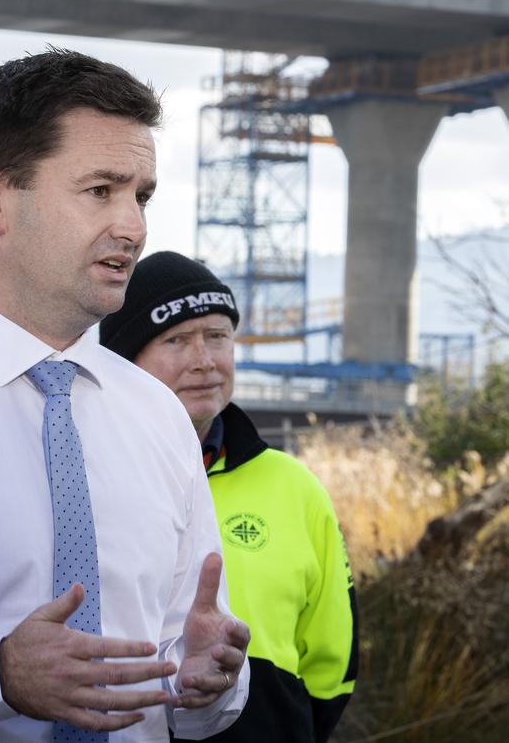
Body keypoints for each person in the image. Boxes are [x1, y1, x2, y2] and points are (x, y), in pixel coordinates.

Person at [0, 50, 250, 742]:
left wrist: (204, 684)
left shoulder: (160, 416)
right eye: (101, 190)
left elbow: (186, 691)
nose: (133, 226)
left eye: (142, 195)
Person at [100, 251, 359, 743]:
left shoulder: (293, 485)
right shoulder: (83, 479)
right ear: (122, 361)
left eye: (217, 337)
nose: (204, 361)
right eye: (176, 340)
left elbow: (334, 662)